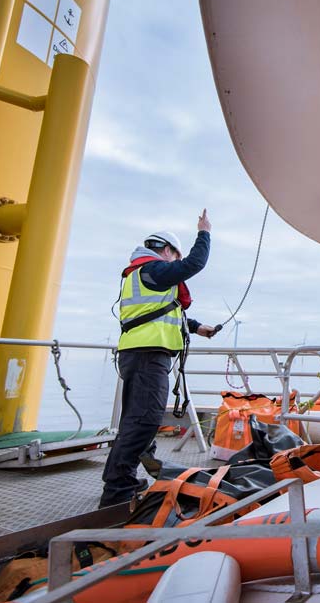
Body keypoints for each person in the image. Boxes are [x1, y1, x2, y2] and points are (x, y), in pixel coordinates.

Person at [99, 210, 217, 508]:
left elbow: (162, 312)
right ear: (167, 251)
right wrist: (204, 232)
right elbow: (195, 263)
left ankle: (118, 479)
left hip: (138, 355)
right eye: (175, 256)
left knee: (133, 422)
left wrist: (197, 328)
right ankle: (117, 491)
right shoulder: (154, 270)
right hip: (147, 356)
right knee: (145, 420)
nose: (177, 263)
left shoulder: (144, 275)